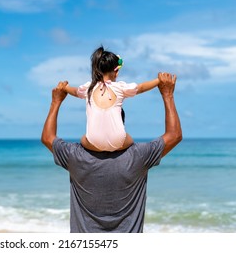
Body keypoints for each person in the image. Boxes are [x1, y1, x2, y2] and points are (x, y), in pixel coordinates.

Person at [41, 72, 182, 233]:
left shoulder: (75, 156)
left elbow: (47, 137)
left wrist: (56, 102)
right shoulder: (138, 156)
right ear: (121, 124)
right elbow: (174, 135)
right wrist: (168, 94)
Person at [64, 46, 159, 152]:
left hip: (94, 142)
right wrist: (158, 80)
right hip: (117, 142)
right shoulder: (120, 87)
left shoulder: (88, 88)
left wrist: (65, 87)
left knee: (83, 139)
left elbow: (75, 92)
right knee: (130, 139)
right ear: (116, 71)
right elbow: (141, 87)